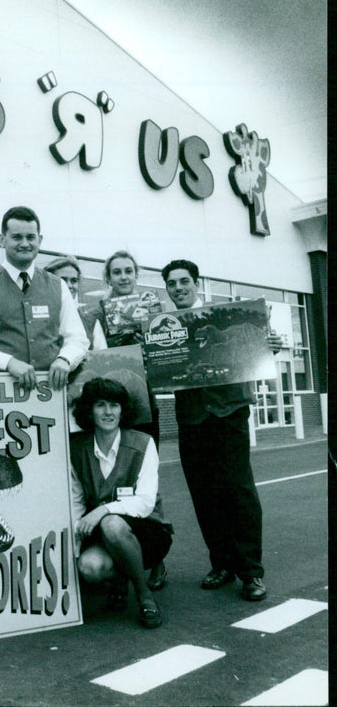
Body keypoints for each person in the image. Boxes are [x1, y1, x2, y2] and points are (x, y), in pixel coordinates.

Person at [161, 259, 280, 601]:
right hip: (192, 419)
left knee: (238, 491)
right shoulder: (165, 328)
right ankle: (222, 563)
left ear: (196, 284)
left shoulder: (222, 315)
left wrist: (268, 345)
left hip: (228, 414)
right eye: (172, 283)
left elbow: (255, 350)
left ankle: (251, 572)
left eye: (184, 281)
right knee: (204, 494)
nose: (179, 287)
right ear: (167, 289)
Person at [78, 249, 167, 588]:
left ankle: (155, 558)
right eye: (117, 272)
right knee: (110, 478)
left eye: (129, 271)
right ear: (108, 278)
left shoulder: (151, 310)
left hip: (142, 403)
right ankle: (114, 550)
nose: (124, 276)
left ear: (136, 274)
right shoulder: (98, 312)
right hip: (110, 405)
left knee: (148, 483)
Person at [69, 378, 173, 629]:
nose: (108, 412)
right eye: (100, 405)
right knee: (90, 567)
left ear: (123, 410)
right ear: (89, 411)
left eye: (114, 405)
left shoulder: (142, 442)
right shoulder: (76, 448)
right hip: (103, 534)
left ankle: (143, 594)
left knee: (112, 524)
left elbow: (146, 503)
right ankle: (118, 580)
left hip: (147, 532)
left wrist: (104, 510)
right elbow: (76, 502)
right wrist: (73, 551)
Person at [0, 206, 88, 390]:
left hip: (52, 393)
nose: (25, 243)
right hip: (1, 395)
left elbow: (77, 338)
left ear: (39, 240)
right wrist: (8, 362)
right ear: (2, 240)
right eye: (17, 237)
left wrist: (65, 359)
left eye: (30, 237)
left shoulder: (58, 286)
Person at [44, 254, 107, 349]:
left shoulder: (91, 322)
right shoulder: (37, 317)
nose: (69, 285)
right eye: (62, 280)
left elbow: (102, 355)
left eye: (74, 281)